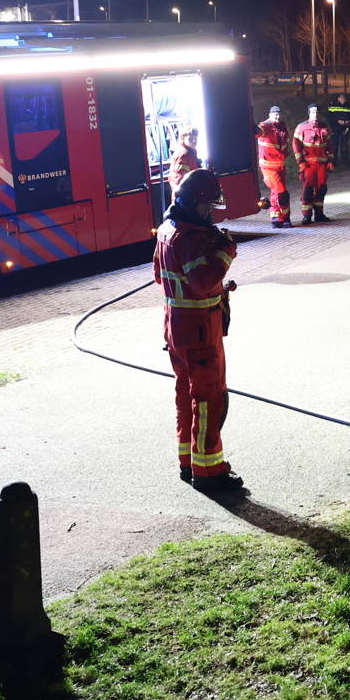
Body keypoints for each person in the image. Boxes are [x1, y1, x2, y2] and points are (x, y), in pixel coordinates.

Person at [153, 168, 245, 494]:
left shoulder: (167, 230)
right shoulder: (190, 238)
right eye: (207, 206)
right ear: (194, 203)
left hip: (176, 327)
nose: (210, 213)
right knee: (208, 401)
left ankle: (187, 462)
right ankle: (210, 472)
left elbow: (163, 277)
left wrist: (219, 290)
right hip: (199, 332)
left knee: (184, 396)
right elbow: (202, 280)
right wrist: (225, 251)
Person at [292, 103, 335, 224]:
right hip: (308, 165)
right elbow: (296, 145)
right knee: (308, 190)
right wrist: (300, 162)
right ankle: (306, 216)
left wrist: (331, 161)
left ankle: (319, 214)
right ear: (308, 113)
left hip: (322, 165)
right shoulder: (302, 127)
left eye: (316, 112)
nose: (314, 114)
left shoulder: (324, 127)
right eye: (312, 112)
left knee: (321, 189)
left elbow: (330, 145)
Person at [254, 105, 293, 228]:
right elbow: (258, 131)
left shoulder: (282, 126)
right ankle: (285, 218)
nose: (277, 116)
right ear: (269, 115)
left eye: (279, 114)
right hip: (269, 167)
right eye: (275, 114)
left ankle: (276, 218)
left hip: (280, 166)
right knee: (282, 192)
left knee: (276, 192)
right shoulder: (265, 126)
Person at [168, 127, 202, 195]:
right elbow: (180, 180)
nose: (194, 141)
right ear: (183, 138)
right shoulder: (184, 155)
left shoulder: (186, 152)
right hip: (187, 196)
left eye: (195, 138)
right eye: (191, 139)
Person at [327, 93, 350, 164]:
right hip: (335, 127)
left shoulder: (348, 106)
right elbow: (329, 116)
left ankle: (345, 160)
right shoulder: (332, 105)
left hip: (345, 127)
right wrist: (337, 121)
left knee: (345, 143)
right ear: (338, 99)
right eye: (342, 98)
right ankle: (334, 160)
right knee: (335, 144)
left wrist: (349, 121)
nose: (343, 100)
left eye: (344, 99)